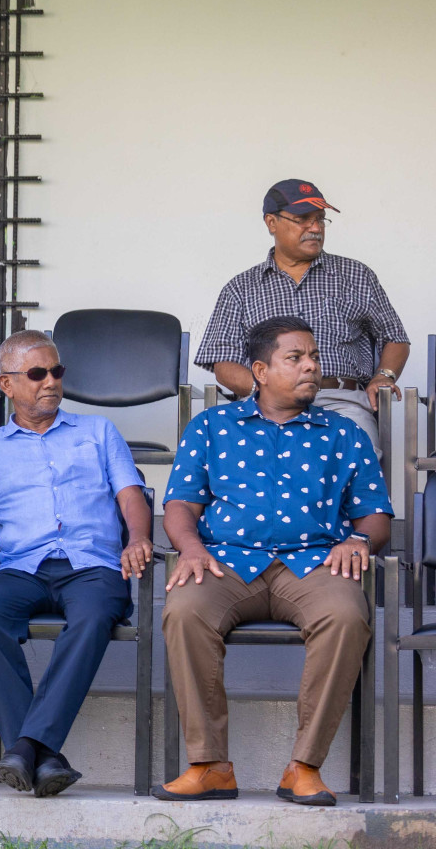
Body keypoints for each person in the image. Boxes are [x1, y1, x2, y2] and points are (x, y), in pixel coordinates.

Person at [152, 316, 391, 807]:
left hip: (314, 563)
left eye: (314, 358)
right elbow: (180, 504)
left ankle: (304, 766)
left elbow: (376, 516)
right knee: (184, 610)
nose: (311, 368)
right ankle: (210, 765)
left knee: (346, 615)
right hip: (226, 563)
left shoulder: (343, 432)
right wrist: (191, 547)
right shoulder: (212, 427)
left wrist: (359, 542)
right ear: (259, 370)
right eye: (296, 358)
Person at [0, 329, 151, 797]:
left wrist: (138, 537)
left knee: (95, 614)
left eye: (56, 371)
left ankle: (24, 746)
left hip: (93, 566)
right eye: (37, 374)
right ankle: (45, 755)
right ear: (7, 384)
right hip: (21, 567)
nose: (51, 382)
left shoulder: (98, 432)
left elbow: (130, 494)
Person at [194, 179, 407, 445]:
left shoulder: (356, 275)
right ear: (271, 223)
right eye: (302, 219)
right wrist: (269, 393)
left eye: (320, 219)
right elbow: (223, 362)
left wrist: (383, 376)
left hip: (340, 403)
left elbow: (395, 336)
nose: (315, 228)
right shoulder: (240, 288)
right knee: (241, 472)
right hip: (264, 407)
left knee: (354, 468)